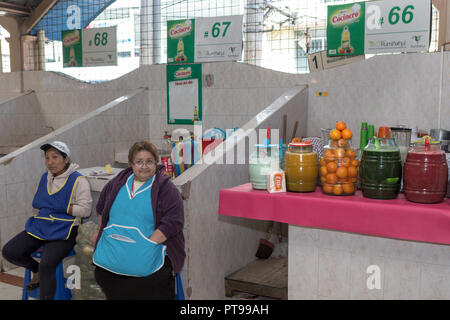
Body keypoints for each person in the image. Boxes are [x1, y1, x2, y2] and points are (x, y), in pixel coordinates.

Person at [91, 140, 185, 300]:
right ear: (131, 164)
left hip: (153, 249)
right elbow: (101, 208)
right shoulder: (116, 184)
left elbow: (173, 221)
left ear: (156, 163)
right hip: (117, 250)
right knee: (103, 274)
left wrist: (147, 246)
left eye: (149, 161)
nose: (144, 166)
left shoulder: (166, 189)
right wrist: (100, 232)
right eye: (139, 162)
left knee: (149, 282)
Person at [2, 141, 92, 300]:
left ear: (66, 159)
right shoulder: (45, 177)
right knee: (9, 251)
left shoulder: (78, 180)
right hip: (42, 226)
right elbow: (40, 203)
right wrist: (55, 206)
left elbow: (85, 210)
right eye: (47, 158)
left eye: (55, 157)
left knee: (47, 264)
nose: (50, 162)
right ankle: (35, 270)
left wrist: (63, 207)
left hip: (65, 230)